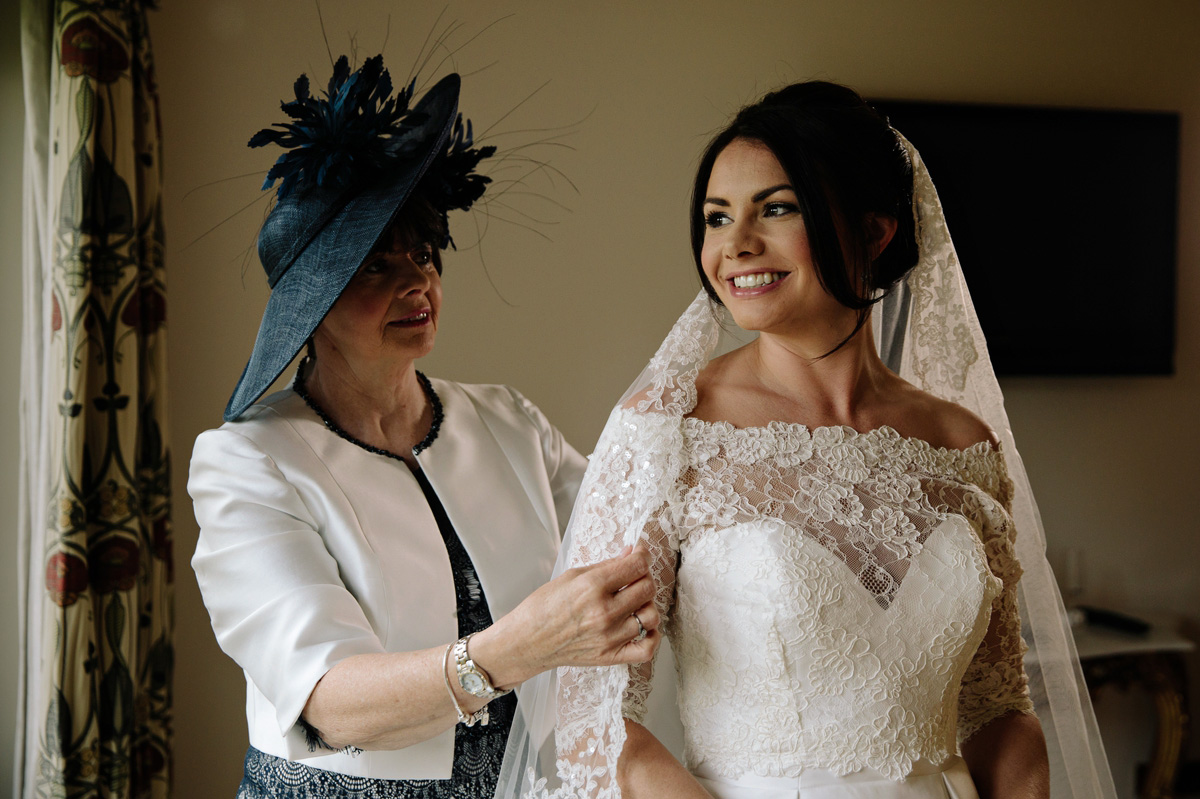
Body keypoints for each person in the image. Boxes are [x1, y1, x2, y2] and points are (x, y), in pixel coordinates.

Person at [496, 82, 1116, 799]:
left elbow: (999, 709)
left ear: (875, 230)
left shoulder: (962, 445)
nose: (736, 246)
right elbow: (595, 717)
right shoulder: (671, 430)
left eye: (777, 208)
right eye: (717, 217)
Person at [188, 55, 661, 799]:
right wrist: (521, 646)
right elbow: (329, 701)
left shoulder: (510, 422)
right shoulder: (245, 460)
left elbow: (642, 537)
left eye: (425, 255)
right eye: (376, 267)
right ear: (312, 311)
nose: (418, 282)